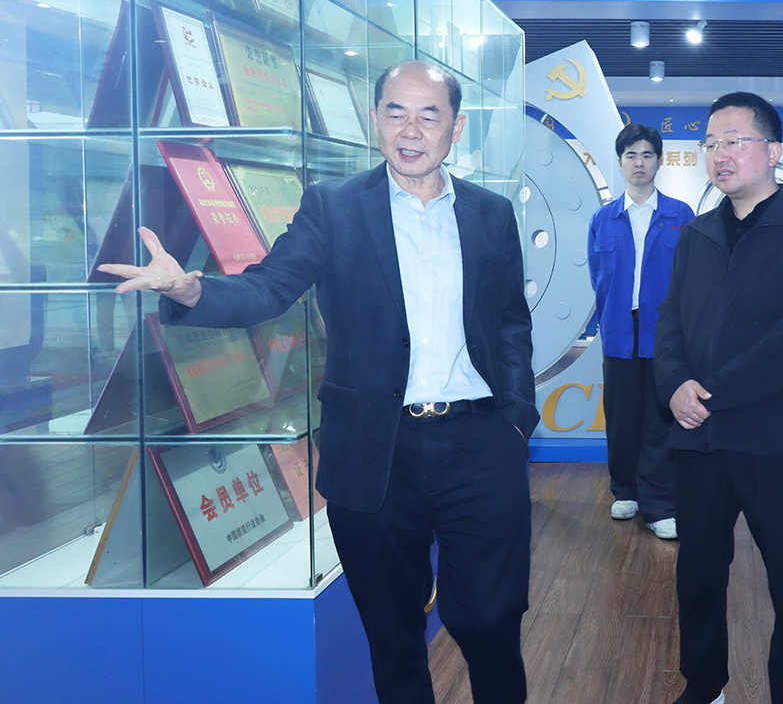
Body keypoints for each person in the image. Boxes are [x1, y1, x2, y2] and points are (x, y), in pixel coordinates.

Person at [99, 61, 538, 704]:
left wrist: (517, 419)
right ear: (374, 119)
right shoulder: (334, 207)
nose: (410, 130)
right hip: (374, 450)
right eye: (395, 112)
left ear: (457, 126)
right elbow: (269, 287)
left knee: (490, 620)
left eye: (429, 115)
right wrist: (190, 290)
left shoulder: (491, 214)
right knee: (392, 633)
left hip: (480, 444)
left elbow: (509, 323)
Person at [654, 92, 783, 704]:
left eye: (734, 141)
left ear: (773, 150)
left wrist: (710, 393)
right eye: (710, 144)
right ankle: (704, 685)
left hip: (776, 439)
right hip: (699, 439)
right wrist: (674, 385)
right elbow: (671, 320)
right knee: (698, 576)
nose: (719, 154)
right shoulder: (697, 233)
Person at [588, 122, 694, 540]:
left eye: (647, 154)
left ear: (659, 161)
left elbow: (691, 277)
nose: (639, 162)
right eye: (631, 155)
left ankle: (659, 503)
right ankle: (625, 490)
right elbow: (598, 278)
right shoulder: (603, 218)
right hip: (619, 328)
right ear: (620, 163)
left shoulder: (680, 215)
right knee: (621, 415)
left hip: (664, 331)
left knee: (660, 415)